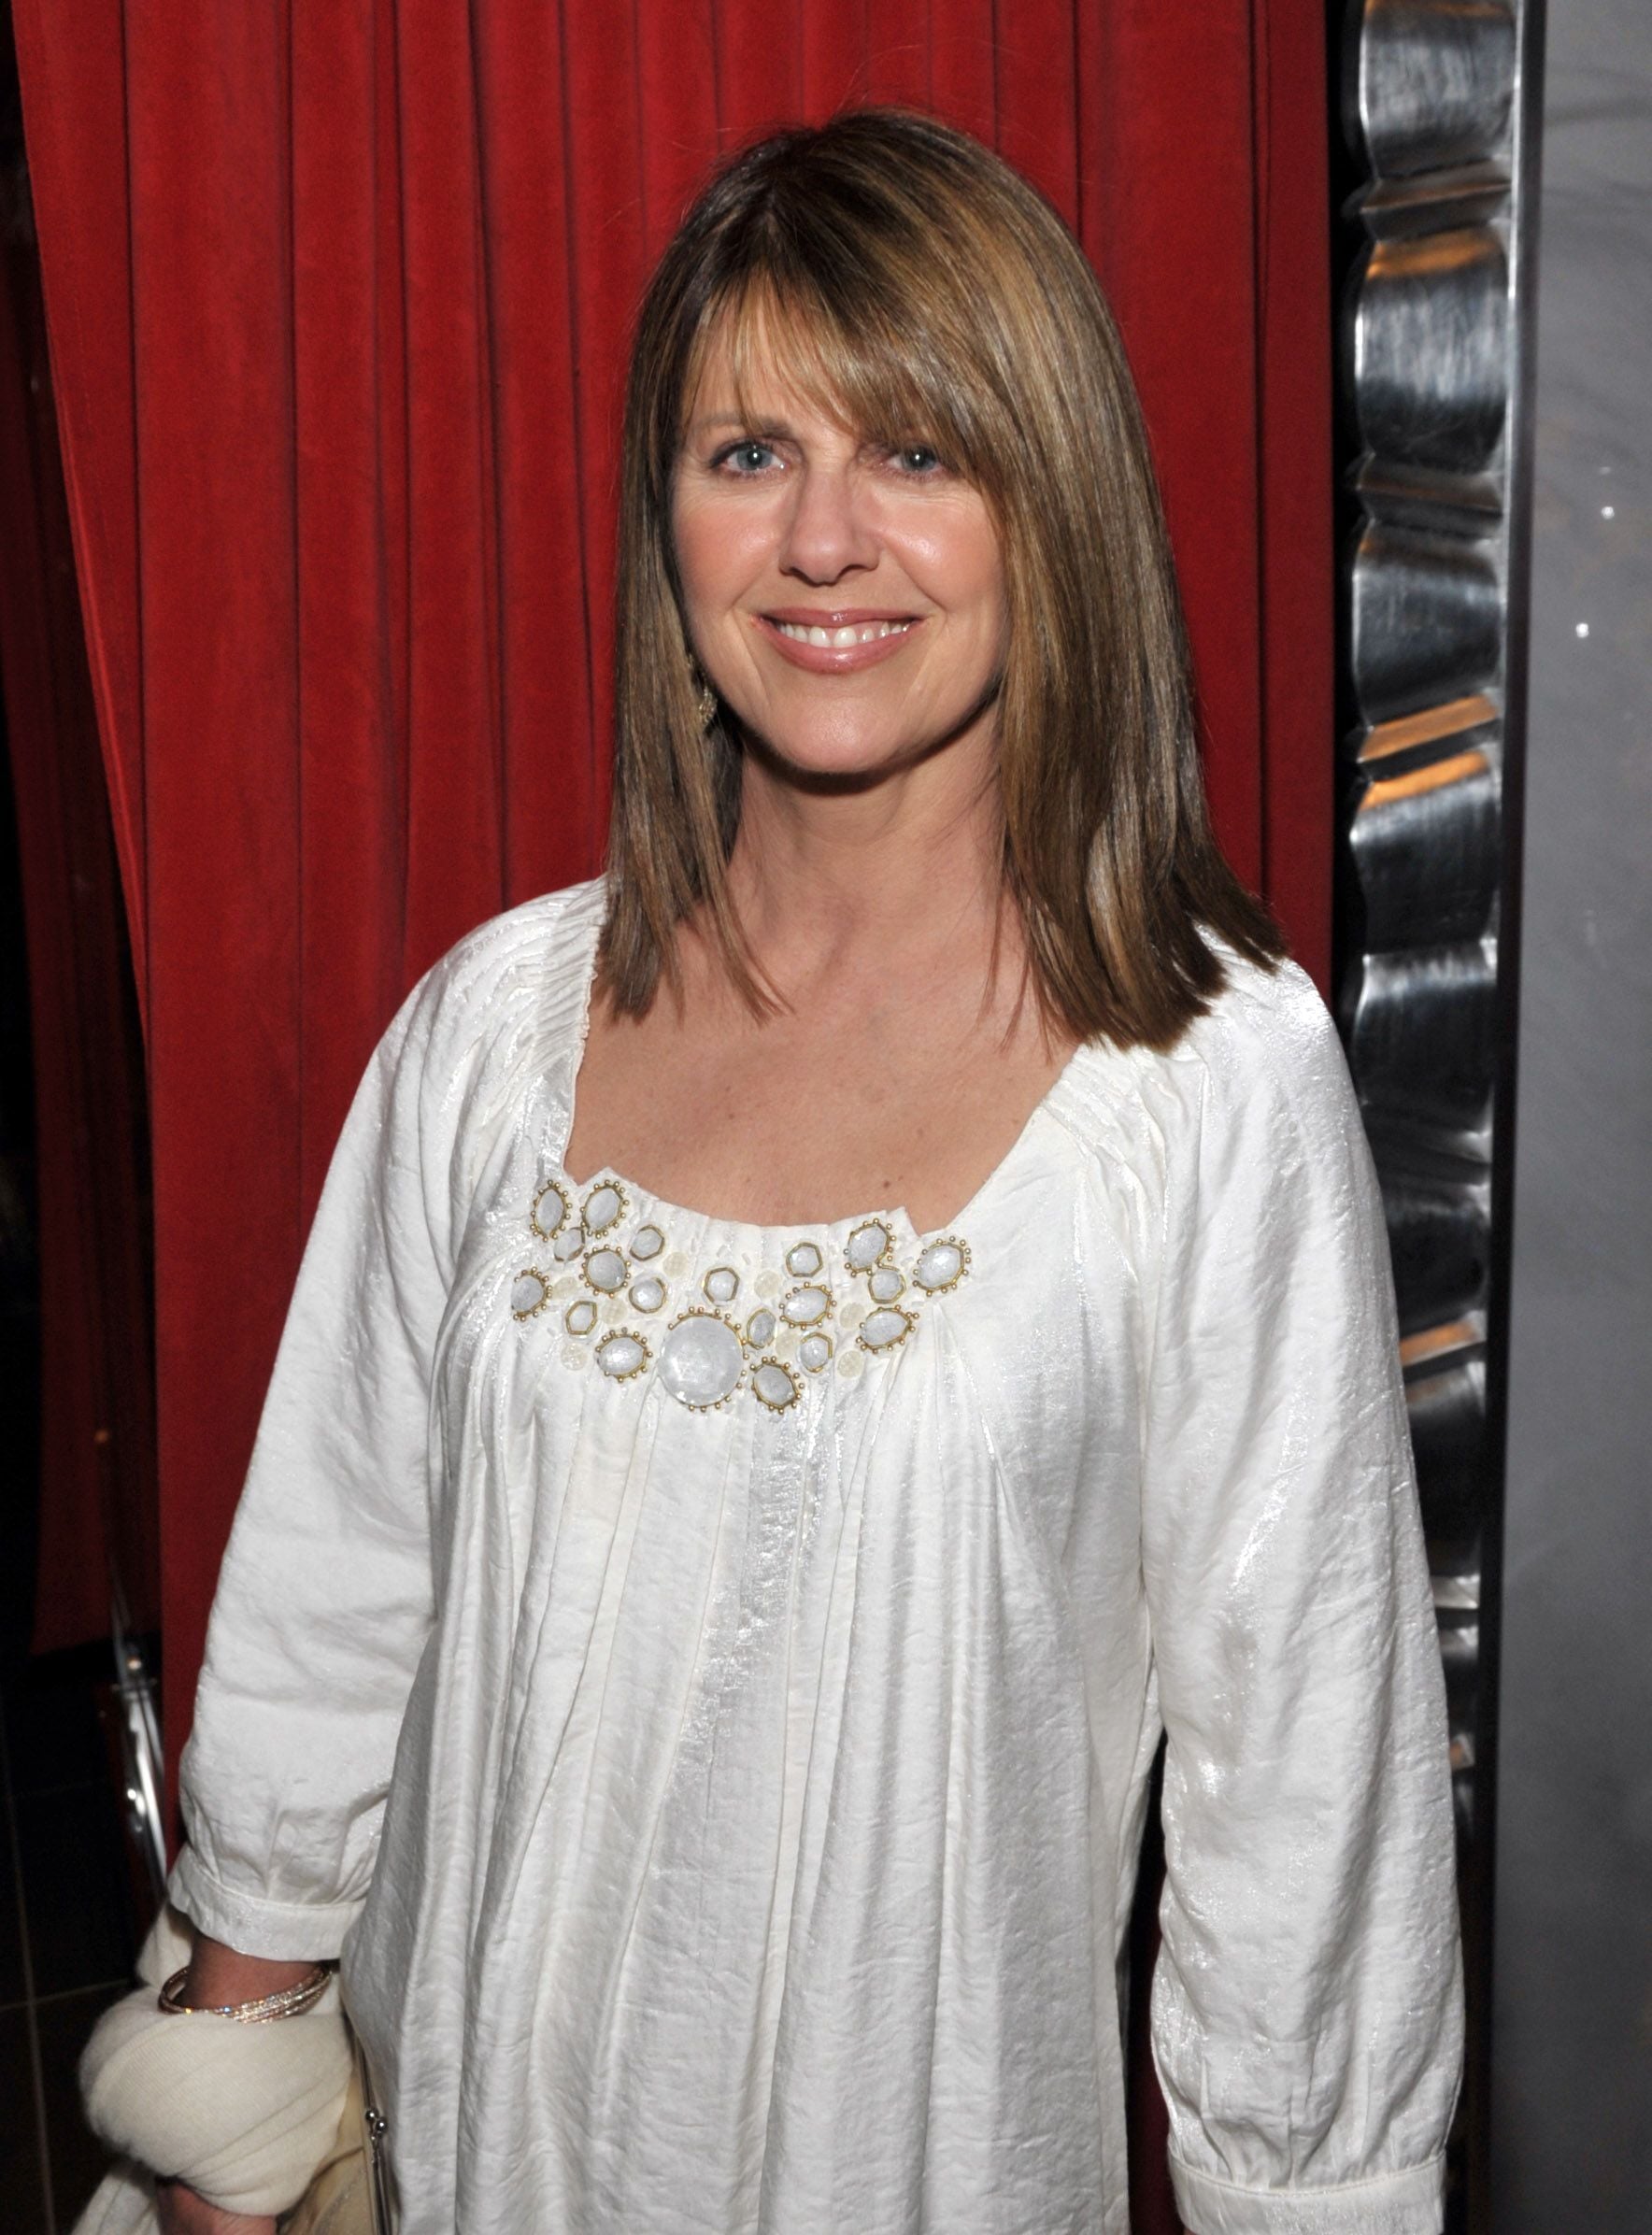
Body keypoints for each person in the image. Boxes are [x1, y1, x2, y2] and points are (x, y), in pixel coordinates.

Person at [87, 107, 1462, 2235]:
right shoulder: (493, 1031)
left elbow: (1306, 1788)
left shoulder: (1207, 1082)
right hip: (466, 2151)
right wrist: (236, 2104)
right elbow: (332, 1589)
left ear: (1052, 503)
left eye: (915, 449)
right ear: (670, 525)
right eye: (749, 453)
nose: (826, 539)